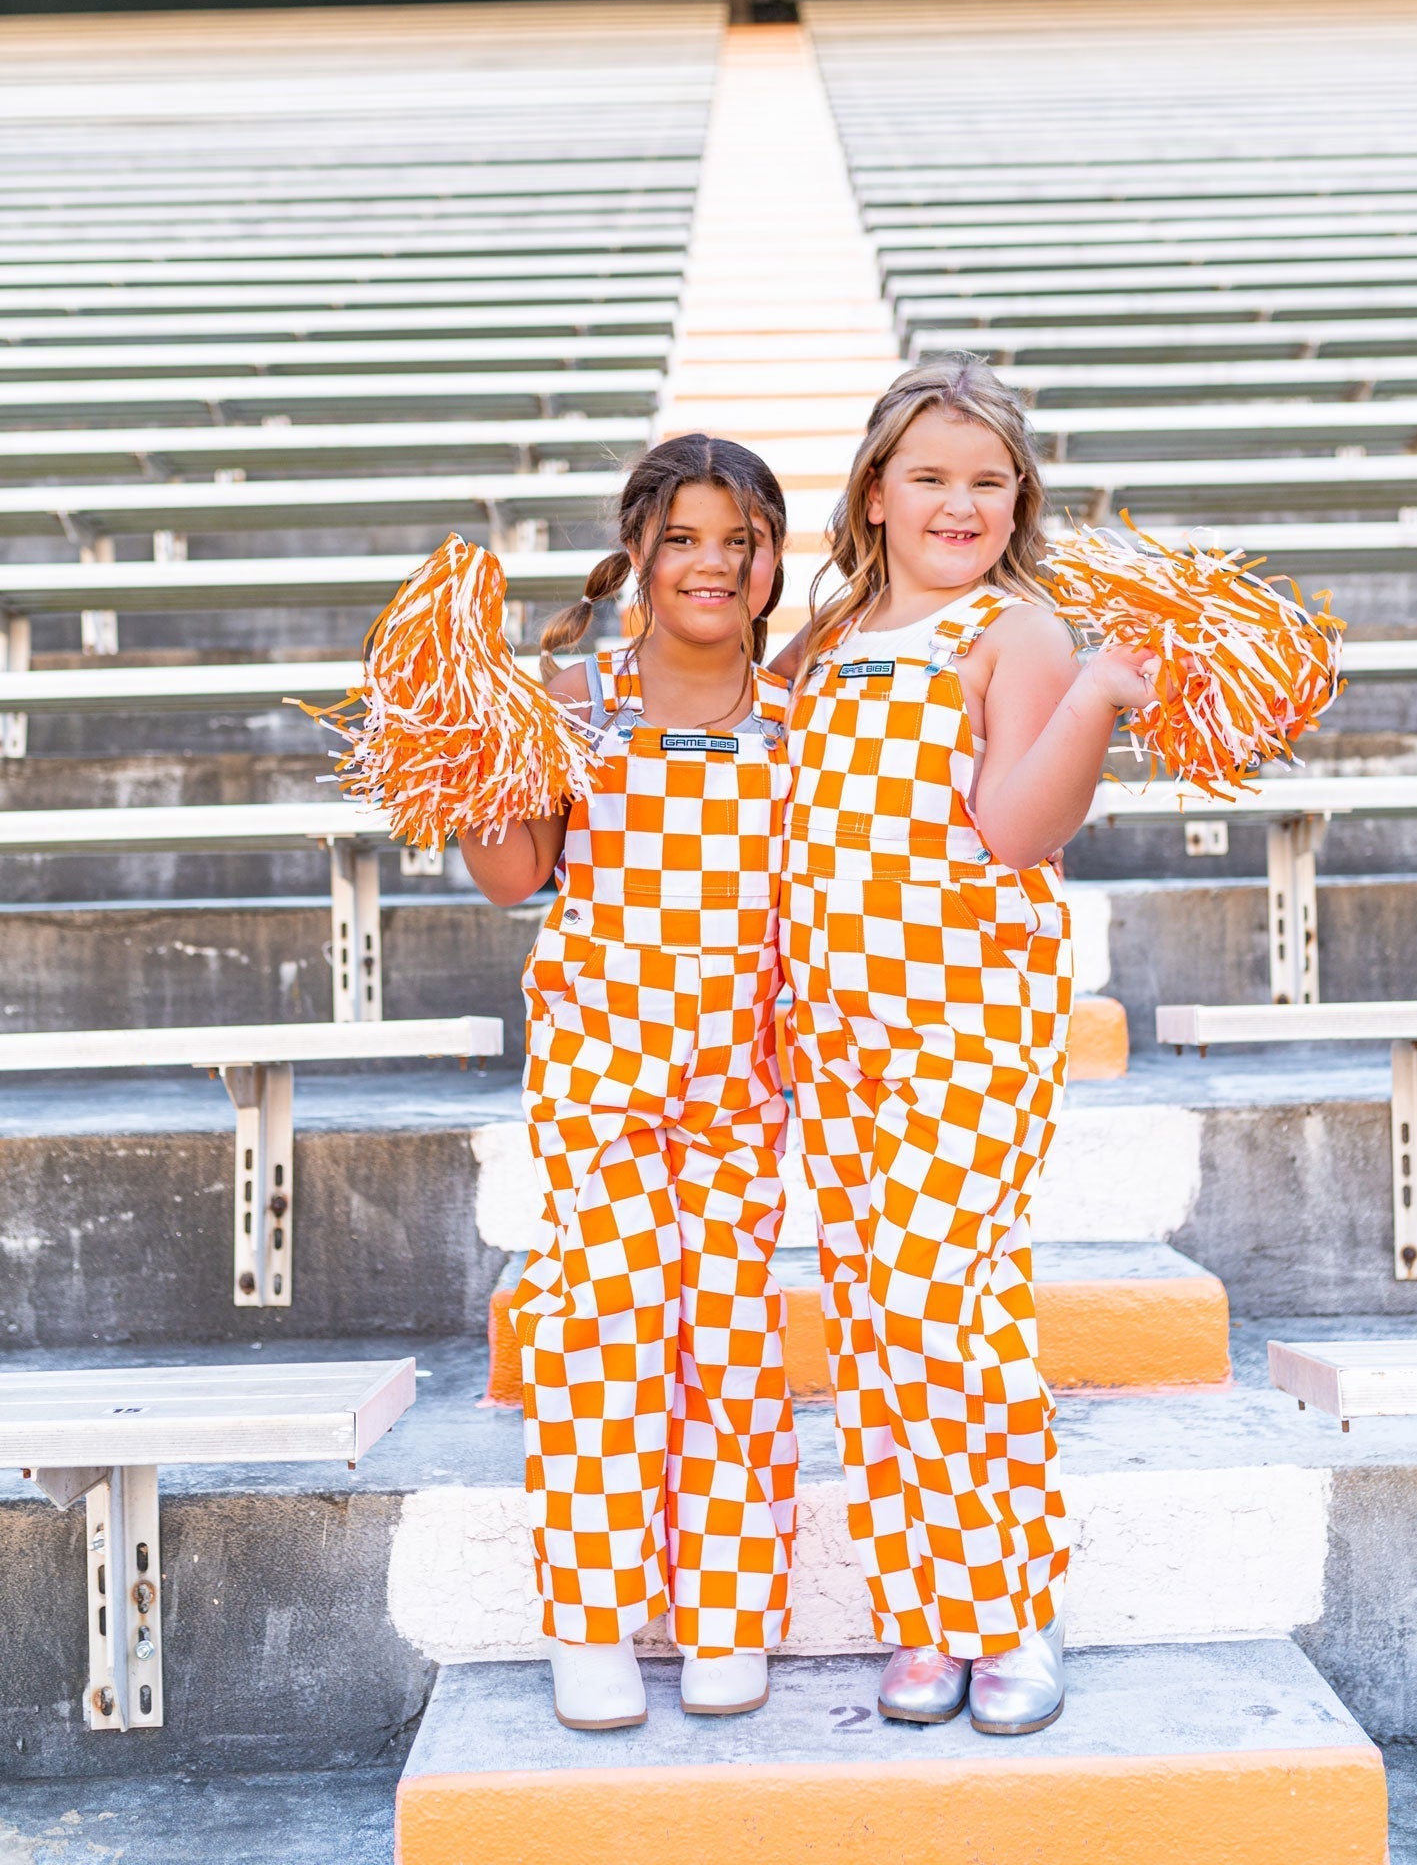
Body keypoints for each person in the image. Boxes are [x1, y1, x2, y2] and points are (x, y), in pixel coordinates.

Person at [771, 356, 1156, 1736]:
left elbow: (1014, 828)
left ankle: (1009, 1608)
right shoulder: (827, 637)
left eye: (989, 481)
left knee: (948, 1300)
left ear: (1020, 501)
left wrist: (1097, 699)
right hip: (836, 1029)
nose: (960, 502)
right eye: (929, 475)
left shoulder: (1015, 632)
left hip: (963, 1023)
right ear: (874, 493)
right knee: (876, 1315)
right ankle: (924, 1609)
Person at [460, 434, 796, 1732]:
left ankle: (727, 1615)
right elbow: (513, 876)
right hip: (598, 1075)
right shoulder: (575, 696)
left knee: (729, 1338)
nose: (710, 563)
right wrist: (472, 744)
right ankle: (591, 1622)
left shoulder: (803, 712)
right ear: (637, 552)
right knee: (605, 1328)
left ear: (773, 559)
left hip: (742, 1084)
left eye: (737, 541)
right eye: (682, 539)